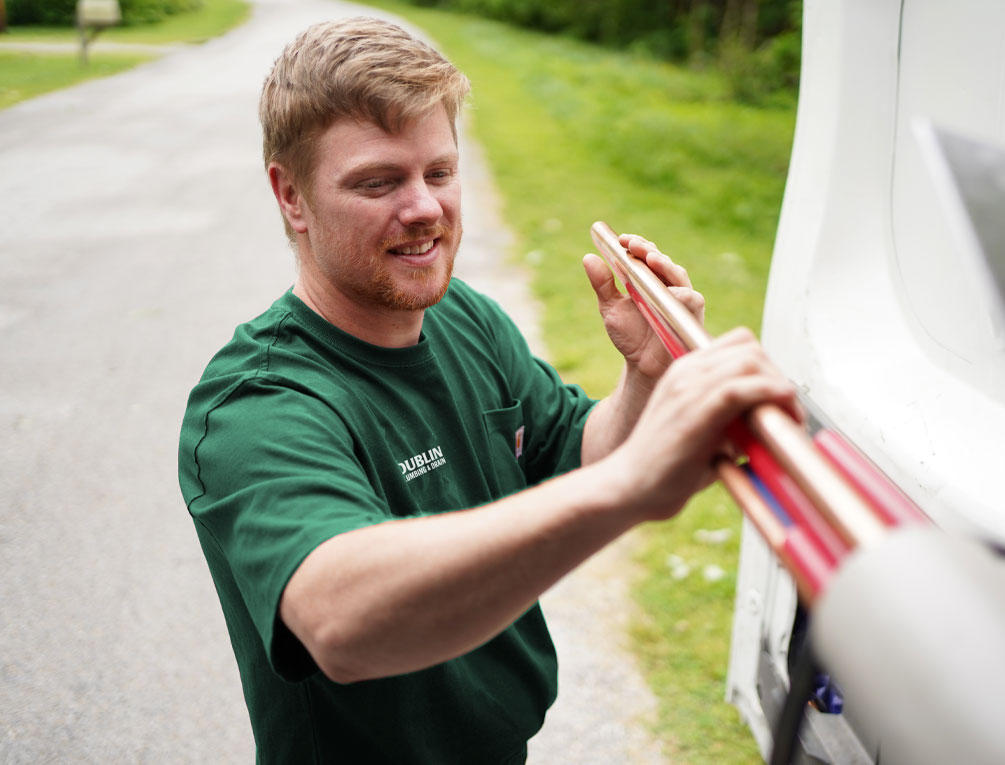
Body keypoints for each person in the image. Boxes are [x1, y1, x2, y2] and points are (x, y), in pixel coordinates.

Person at [177, 15, 795, 764]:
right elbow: (342, 621)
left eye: (439, 172)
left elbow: (577, 451)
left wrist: (646, 376)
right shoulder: (255, 404)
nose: (424, 208)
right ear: (291, 196)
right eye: (378, 182)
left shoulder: (463, 316)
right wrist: (633, 487)